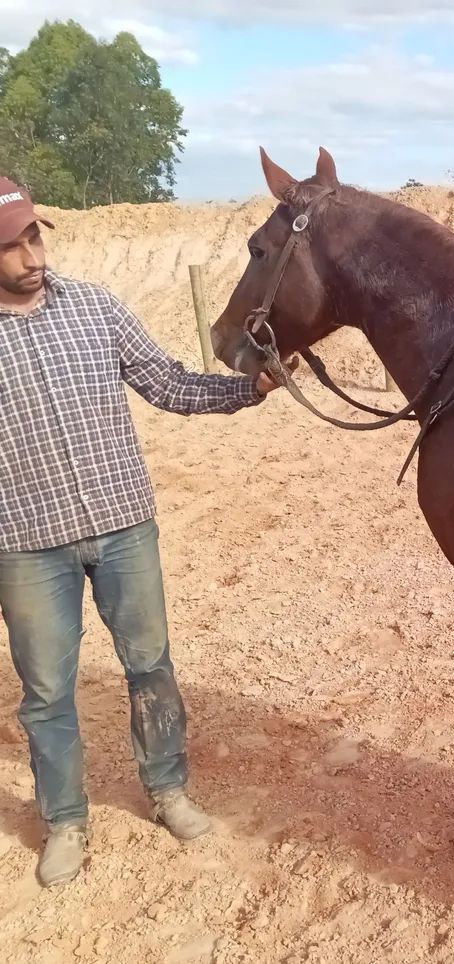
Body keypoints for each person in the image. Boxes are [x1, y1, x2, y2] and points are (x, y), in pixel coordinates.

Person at [0, 176, 285, 887]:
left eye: (34, 236)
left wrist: (244, 391)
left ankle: (168, 792)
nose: (31, 255)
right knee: (46, 694)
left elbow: (168, 383)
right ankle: (65, 820)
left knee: (150, 666)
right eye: (11, 246)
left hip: (125, 528)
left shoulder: (96, 310)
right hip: (27, 544)